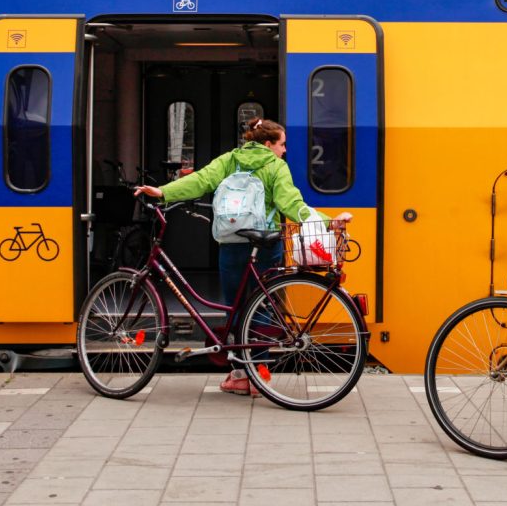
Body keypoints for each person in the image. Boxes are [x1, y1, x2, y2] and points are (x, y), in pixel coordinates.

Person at [134, 117, 351, 396]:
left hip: (232, 243)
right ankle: (259, 373)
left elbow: (200, 180)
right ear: (268, 144)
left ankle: (239, 375)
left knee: (235, 308)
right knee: (262, 307)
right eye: (282, 144)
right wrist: (327, 221)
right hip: (266, 245)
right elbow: (292, 204)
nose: (285, 150)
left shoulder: (229, 160)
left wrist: (163, 192)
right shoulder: (275, 166)